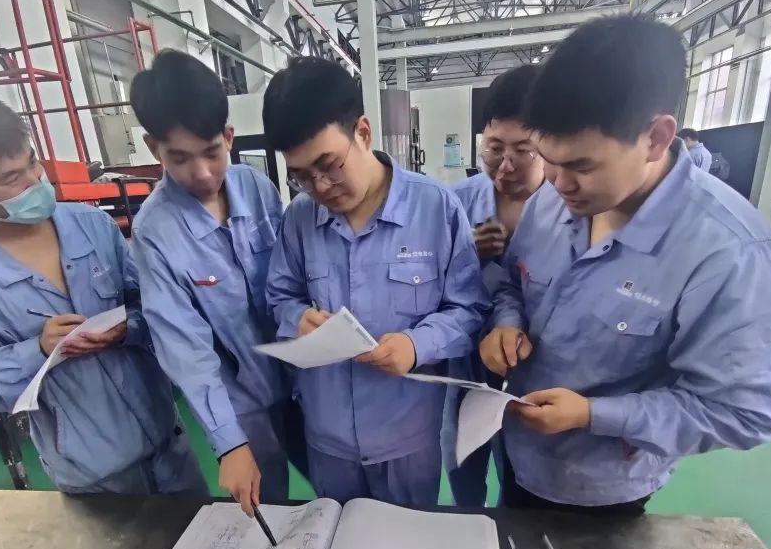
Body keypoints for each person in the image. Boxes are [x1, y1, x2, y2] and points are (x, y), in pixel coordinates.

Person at [481, 14, 771, 515]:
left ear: (656, 137)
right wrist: (507, 322)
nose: (559, 183)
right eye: (549, 160)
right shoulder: (550, 202)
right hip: (517, 453)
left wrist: (593, 415)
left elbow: (742, 412)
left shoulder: (731, 253)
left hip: (602, 490)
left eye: (581, 166)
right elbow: (512, 286)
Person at [0, 86, 204, 494]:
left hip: (169, 444)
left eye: (32, 162)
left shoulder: (92, 226)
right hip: (92, 474)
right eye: (11, 178)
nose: (35, 181)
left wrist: (127, 327)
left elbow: (150, 302)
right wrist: (37, 351)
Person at [263, 57, 489, 506]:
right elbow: (279, 294)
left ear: (363, 133)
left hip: (408, 440)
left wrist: (416, 345)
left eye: (329, 165)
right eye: (301, 176)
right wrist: (296, 318)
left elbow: (469, 309)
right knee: (336, 543)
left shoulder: (435, 208)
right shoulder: (300, 219)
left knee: (405, 544)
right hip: (327, 441)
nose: (320, 186)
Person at [129, 49, 305, 516]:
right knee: (268, 504)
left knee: (334, 482)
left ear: (229, 136)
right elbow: (185, 348)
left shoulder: (258, 189)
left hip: (301, 376)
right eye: (180, 158)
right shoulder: (155, 231)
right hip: (239, 400)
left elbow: (292, 277)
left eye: (212, 152)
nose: (202, 173)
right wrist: (229, 443)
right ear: (153, 148)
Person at [444, 64, 553, 507]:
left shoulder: (569, 209)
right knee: (461, 459)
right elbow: (429, 284)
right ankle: (468, 522)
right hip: (467, 363)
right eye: (493, 149)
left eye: (523, 152)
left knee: (521, 471)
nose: (504, 167)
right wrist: (468, 256)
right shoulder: (456, 202)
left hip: (534, 364)